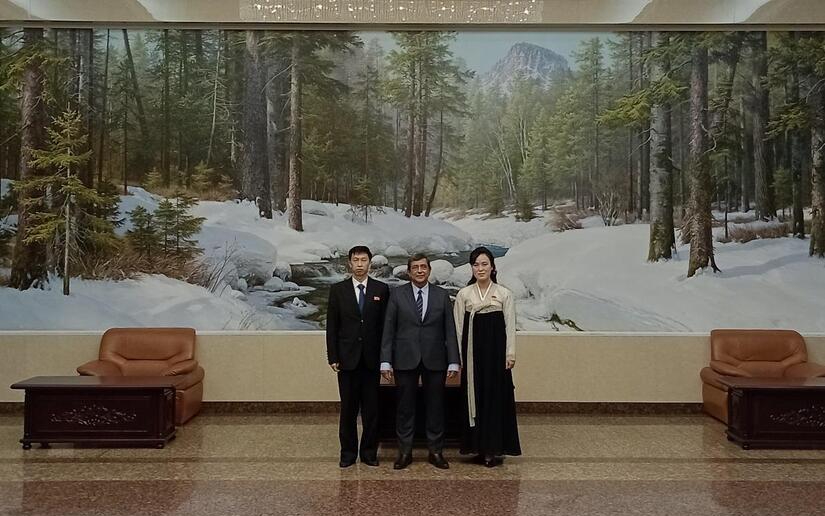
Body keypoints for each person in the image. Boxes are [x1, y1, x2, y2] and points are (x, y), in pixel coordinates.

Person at [380, 253, 460, 470]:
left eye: (423, 267)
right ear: (409, 271)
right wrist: (385, 361)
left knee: (436, 407)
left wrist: (453, 361)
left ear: (429, 270)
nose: (420, 271)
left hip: (436, 359)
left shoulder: (441, 295)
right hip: (405, 358)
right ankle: (405, 452)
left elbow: (450, 330)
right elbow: (389, 329)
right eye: (415, 267)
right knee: (405, 408)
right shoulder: (397, 295)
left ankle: (436, 451)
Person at [453, 246, 521, 467]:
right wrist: (459, 359)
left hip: (496, 356)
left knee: (495, 398)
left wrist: (510, 353)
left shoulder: (504, 294)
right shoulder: (464, 295)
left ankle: (494, 448)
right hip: (472, 357)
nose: (480, 268)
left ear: (492, 267)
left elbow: (510, 326)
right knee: (475, 397)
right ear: (471, 268)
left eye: (484, 264)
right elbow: (459, 329)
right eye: (476, 265)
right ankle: (476, 446)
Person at [326, 245, 390, 468]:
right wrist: (333, 356)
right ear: (350, 263)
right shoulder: (338, 290)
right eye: (356, 260)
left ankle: (369, 452)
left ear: (370, 263)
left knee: (372, 410)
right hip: (347, 359)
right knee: (348, 410)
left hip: (372, 360)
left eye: (364, 260)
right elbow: (332, 326)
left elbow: (386, 327)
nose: (360, 264)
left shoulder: (382, 289)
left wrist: (386, 358)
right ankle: (348, 453)